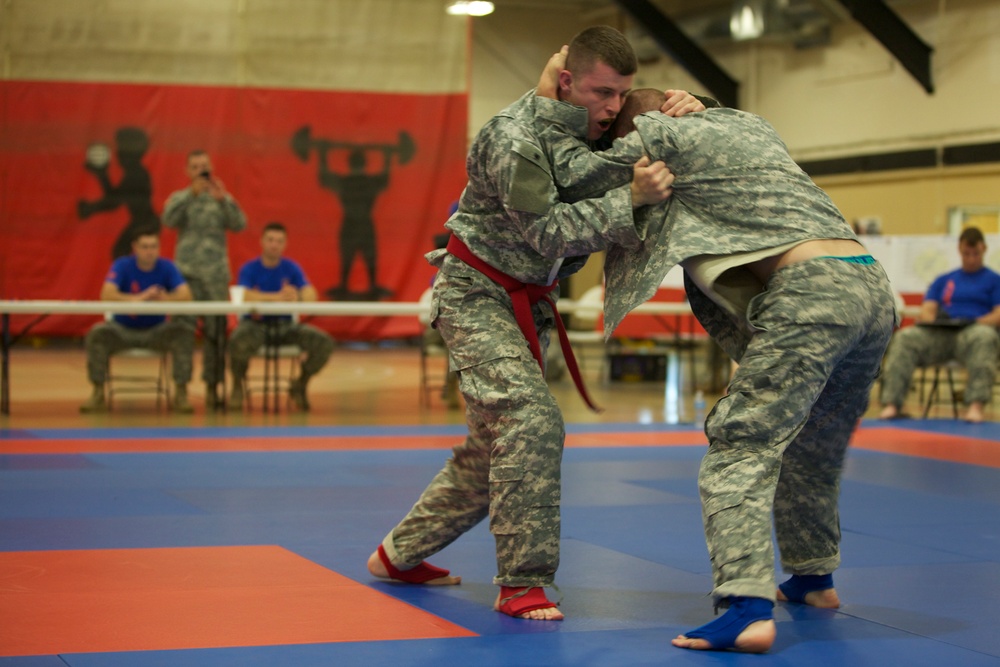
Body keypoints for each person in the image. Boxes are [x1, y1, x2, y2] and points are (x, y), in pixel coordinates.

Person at [529, 84, 897, 651]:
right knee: (812, 445)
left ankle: (746, 606)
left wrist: (548, 97)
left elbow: (570, 178)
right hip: (872, 288)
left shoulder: (656, 137)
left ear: (634, 125)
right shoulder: (750, 125)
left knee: (740, 443)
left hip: (812, 294)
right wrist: (700, 103)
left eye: (610, 122)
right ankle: (813, 578)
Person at [365, 25, 705, 622]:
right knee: (530, 420)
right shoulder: (514, 137)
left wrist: (683, 110)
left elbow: (608, 155)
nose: (613, 108)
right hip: (475, 295)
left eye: (620, 95)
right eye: (602, 93)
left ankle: (399, 554)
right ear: (567, 80)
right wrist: (633, 198)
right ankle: (523, 582)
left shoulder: (586, 126)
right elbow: (549, 232)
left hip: (527, 302)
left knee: (492, 448)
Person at [878, 226, 1000, 423]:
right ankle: (892, 405)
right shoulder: (945, 280)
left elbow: (998, 314)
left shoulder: (995, 281)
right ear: (960, 250)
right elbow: (927, 310)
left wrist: (974, 321)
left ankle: (975, 406)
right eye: (966, 253)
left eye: (975, 253)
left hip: (973, 332)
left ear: (983, 249)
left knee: (984, 336)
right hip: (943, 333)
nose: (970, 258)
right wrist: (933, 320)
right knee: (905, 338)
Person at [162, 150, 247, 408]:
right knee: (183, 332)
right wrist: (192, 195)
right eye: (195, 167)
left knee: (216, 335)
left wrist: (223, 201)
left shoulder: (221, 198)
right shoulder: (180, 198)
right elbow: (168, 220)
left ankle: (213, 387)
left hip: (215, 276)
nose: (201, 171)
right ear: (188, 172)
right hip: (186, 277)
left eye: (204, 166)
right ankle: (181, 389)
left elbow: (240, 224)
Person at [80, 230, 196, 413]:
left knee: (183, 333)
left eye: (153, 247)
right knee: (98, 334)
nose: (149, 251)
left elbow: (186, 295)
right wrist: (139, 298)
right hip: (123, 330)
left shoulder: (167, 267)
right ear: (135, 248)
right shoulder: (122, 266)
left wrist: (165, 298)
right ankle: (97, 391)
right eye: (144, 247)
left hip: (156, 331)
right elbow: (106, 294)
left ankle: (181, 392)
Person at [227, 222, 335, 411]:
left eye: (279, 241)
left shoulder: (292, 268)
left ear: (285, 244)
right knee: (237, 340)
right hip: (255, 326)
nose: (274, 245)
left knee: (323, 343)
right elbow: (242, 294)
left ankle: (301, 383)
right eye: (270, 240)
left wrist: (297, 296)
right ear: (262, 242)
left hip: (286, 327)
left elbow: (311, 294)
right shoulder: (249, 268)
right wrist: (274, 297)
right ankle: (237, 385)